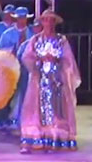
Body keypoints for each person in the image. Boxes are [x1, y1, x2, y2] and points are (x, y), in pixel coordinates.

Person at [19, 10, 80, 152]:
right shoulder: (35, 40)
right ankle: (38, 138)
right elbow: (27, 57)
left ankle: (56, 138)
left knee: (57, 110)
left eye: (51, 20)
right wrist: (39, 59)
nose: (49, 23)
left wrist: (56, 60)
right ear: (42, 22)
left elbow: (69, 60)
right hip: (39, 80)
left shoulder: (61, 40)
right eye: (46, 20)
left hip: (56, 80)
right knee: (37, 109)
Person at [0, 6, 33, 131]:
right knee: (7, 94)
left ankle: (20, 119)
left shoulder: (31, 34)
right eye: (19, 17)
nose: (22, 20)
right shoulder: (7, 34)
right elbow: (1, 51)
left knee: (24, 93)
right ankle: (0, 119)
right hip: (10, 68)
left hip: (26, 68)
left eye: (24, 18)